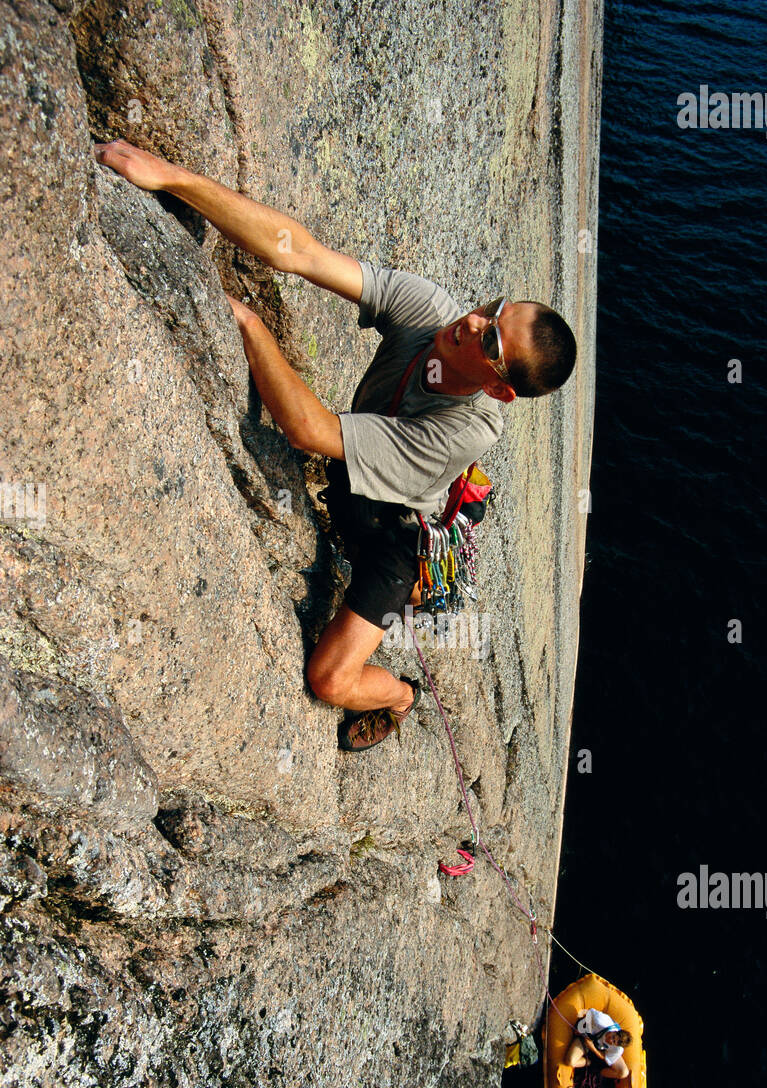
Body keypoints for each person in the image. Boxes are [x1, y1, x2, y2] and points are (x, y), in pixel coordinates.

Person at [94, 140, 577, 751]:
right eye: (495, 312)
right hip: (355, 478)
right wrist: (171, 179)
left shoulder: (464, 429)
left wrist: (247, 324)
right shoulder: (433, 312)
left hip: (394, 535)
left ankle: (401, 695)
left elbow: (312, 431)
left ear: (499, 389)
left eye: (492, 347)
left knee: (328, 678)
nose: (474, 325)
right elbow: (298, 252)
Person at [564, 1007, 632, 1081]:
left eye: (614, 1042)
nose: (610, 1040)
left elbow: (604, 1057)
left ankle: (597, 1073)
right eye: (613, 1037)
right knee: (570, 1061)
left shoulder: (618, 1049)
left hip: (596, 1048)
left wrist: (592, 1048)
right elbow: (587, 1012)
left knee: (624, 1073)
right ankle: (587, 1062)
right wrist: (580, 1027)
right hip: (585, 1038)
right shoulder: (600, 1020)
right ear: (615, 1031)